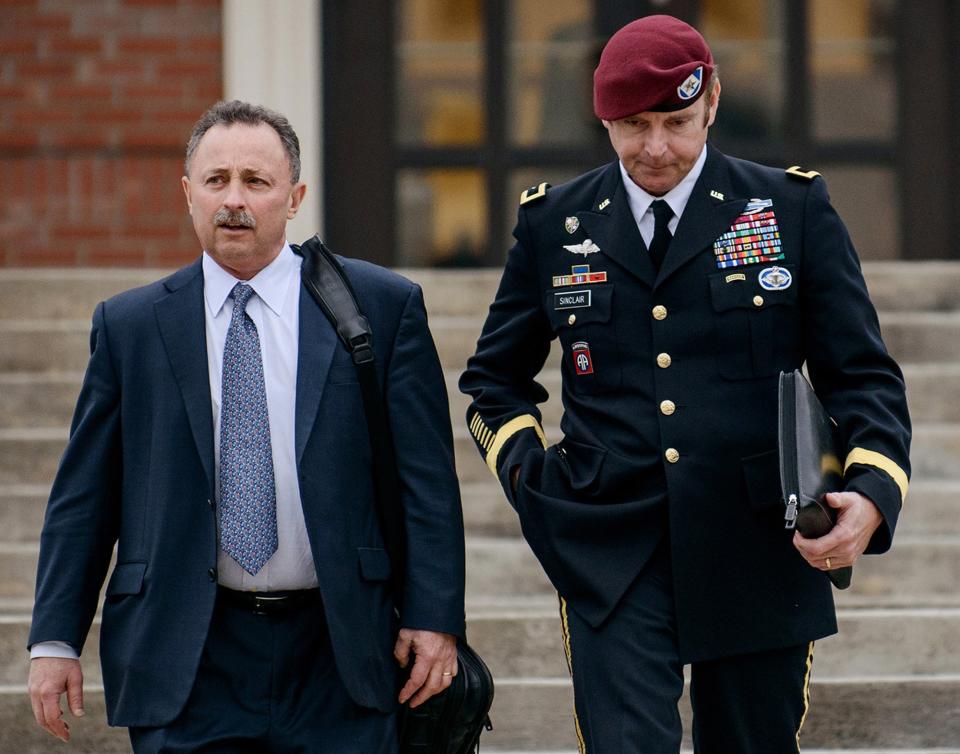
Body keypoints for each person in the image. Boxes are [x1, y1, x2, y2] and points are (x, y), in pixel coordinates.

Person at [460, 15, 910, 754]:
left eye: (675, 121)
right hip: (611, 546)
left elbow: (861, 375)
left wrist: (871, 490)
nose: (657, 148)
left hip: (760, 542)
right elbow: (493, 380)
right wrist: (532, 481)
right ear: (602, 118)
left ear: (713, 102)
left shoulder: (789, 209)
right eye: (633, 126)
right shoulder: (555, 222)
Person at [27, 100, 465, 753]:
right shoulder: (131, 327)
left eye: (256, 182)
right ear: (188, 194)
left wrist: (434, 616)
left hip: (339, 648)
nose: (235, 199)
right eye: (216, 180)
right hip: (187, 651)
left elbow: (425, 478)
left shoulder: (379, 306)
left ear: (294, 197)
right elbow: (84, 497)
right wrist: (55, 637)